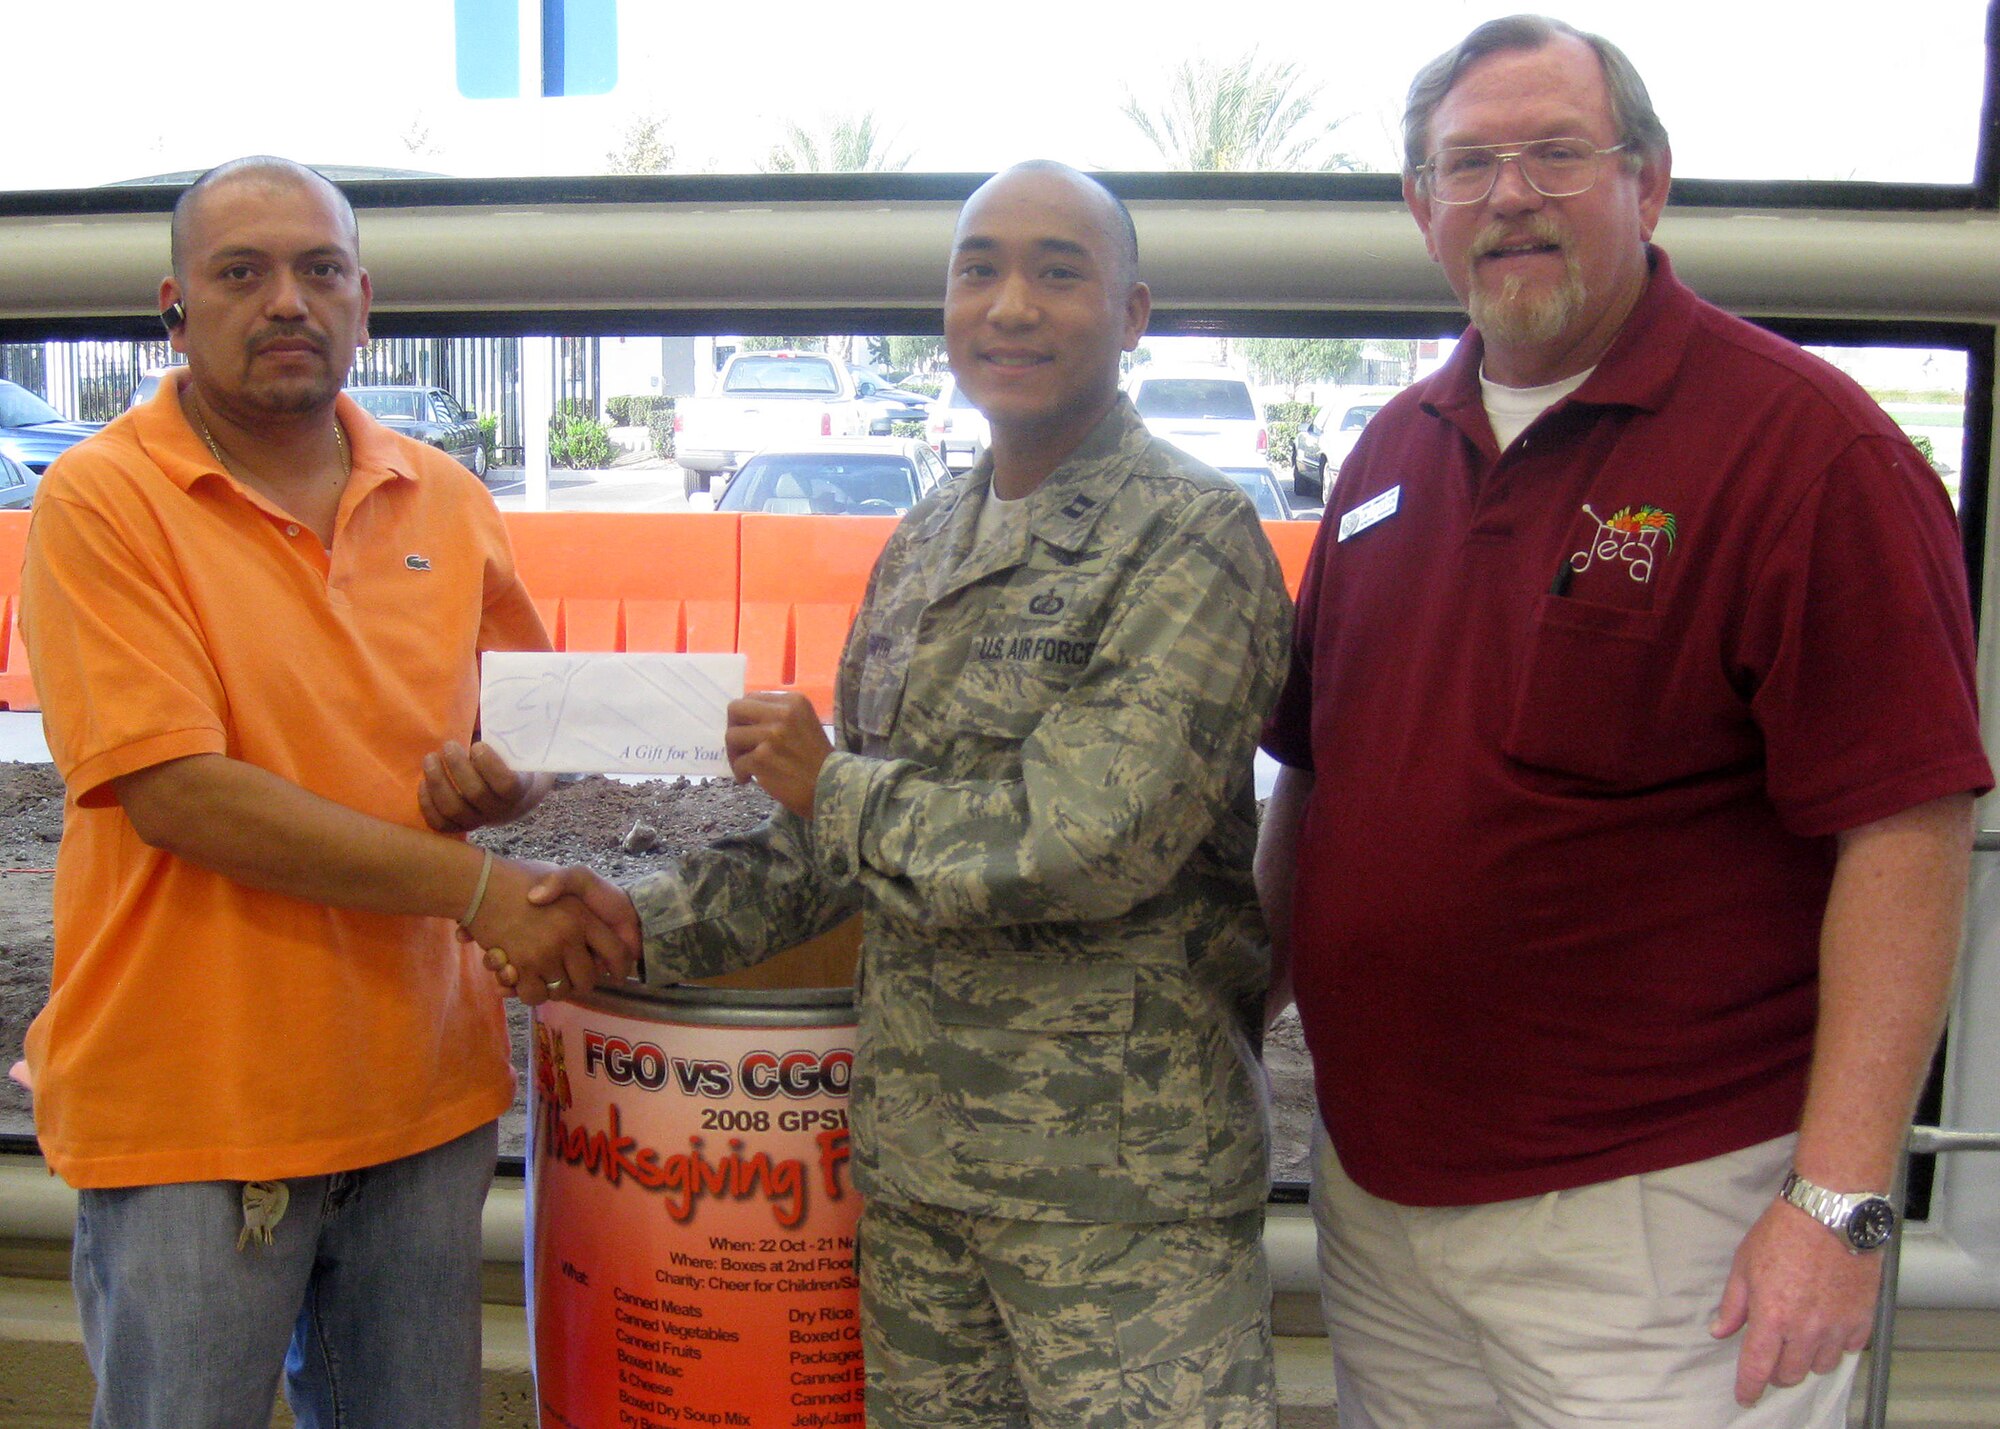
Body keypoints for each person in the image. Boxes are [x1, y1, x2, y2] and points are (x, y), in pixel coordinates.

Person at [1254, 16, 1994, 1428]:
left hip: (1665, 1224)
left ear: (1647, 184)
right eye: (1467, 165)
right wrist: (1242, 1016)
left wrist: (1837, 1202)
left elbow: (1906, 830)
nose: (1509, 195)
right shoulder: (1388, 455)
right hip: (1384, 1198)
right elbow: (1316, 779)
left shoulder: (1805, 452)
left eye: (1554, 154)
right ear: (1421, 209)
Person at [509, 161, 1292, 1426]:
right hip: (919, 1178)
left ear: (1133, 313)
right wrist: (630, 919)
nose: (1010, 306)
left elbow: (1086, 839)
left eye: (1057, 271)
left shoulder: (1188, 536)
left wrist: (834, 785)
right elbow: (828, 842)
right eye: (977, 269)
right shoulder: (926, 540)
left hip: (1119, 1195)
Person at [20, 156, 635, 1429]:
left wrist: (502, 785)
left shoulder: (449, 501)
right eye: (240, 273)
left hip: (420, 1089)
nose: (285, 300)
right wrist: (481, 886)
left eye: (318, 270)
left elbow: (509, 736)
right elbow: (179, 793)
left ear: (365, 298)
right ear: (175, 308)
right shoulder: (101, 502)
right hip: (198, 1102)